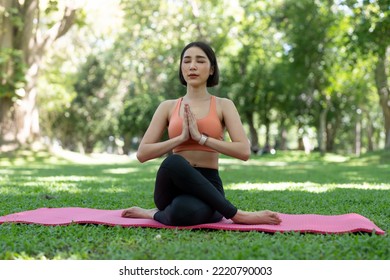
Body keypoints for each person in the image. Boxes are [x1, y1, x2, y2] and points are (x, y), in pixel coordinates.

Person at [121, 41, 281, 226]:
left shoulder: (224, 105)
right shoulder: (168, 107)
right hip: (173, 184)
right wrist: (180, 139)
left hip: (209, 185)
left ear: (211, 69)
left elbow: (244, 151)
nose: (192, 66)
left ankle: (152, 214)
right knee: (173, 161)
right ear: (181, 68)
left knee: (181, 213)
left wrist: (201, 139)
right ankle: (238, 215)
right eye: (187, 61)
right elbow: (142, 154)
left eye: (200, 61)